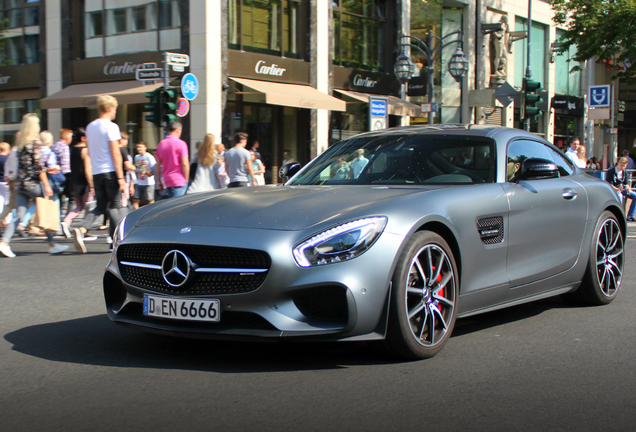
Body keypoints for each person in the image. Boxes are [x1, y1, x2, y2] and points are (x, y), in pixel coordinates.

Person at [0, 114, 69, 257]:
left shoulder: (19, 144)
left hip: (20, 184)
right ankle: (52, 244)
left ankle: (4, 242)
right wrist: (47, 186)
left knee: (19, 214)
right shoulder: (35, 143)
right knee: (48, 207)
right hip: (33, 184)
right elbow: (38, 168)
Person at [73, 94, 127, 254]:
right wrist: (121, 177)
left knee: (102, 206)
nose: (115, 111)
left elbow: (90, 151)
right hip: (110, 171)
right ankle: (120, 241)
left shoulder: (90, 127)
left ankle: (82, 229)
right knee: (116, 207)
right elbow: (115, 153)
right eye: (115, 108)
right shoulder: (111, 127)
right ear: (110, 108)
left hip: (97, 172)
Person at [61, 129, 93, 237]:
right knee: (88, 206)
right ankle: (85, 229)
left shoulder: (72, 149)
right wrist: (92, 184)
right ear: (83, 138)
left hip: (73, 181)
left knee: (78, 206)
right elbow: (87, 169)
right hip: (84, 182)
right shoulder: (85, 150)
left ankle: (66, 221)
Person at [155, 121, 189, 198]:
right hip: (178, 180)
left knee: (170, 205)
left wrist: (159, 181)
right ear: (178, 130)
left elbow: (158, 165)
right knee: (177, 207)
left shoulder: (161, 144)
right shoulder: (181, 144)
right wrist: (186, 180)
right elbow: (184, 164)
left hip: (167, 179)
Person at [606, 157, 636, 222]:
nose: (622, 167)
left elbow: (626, 183)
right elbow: (609, 184)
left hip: (622, 189)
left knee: (635, 196)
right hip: (614, 190)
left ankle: (630, 216)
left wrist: (627, 187)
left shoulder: (624, 172)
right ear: (618, 163)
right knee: (619, 196)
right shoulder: (611, 171)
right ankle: (620, 215)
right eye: (621, 165)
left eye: (624, 166)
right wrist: (617, 189)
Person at [132, 142, 156, 209]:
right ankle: (136, 215)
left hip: (149, 183)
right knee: (135, 200)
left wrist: (145, 171)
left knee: (150, 201)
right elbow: (137, 168)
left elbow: (153, 171)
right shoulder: (136, 157)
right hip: (139, 182)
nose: (139, 148)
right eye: (137, 147)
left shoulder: (149, 157)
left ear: (145, 148)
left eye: (140, 147)